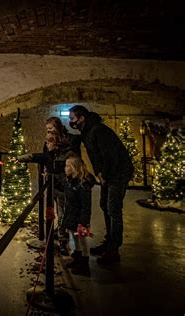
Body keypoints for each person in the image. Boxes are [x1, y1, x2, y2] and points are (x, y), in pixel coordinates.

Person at [69, 105, 133, 264]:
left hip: (118, 172)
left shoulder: (98, 130)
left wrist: (104, 175)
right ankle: (109, 242)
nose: (71, 122)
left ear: (82, 117)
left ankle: (114, 250)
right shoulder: (87, 132)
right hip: (108, 174)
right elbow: (95, 156)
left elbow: (109, 155)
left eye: (72, 118)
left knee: (113, 209)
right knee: (105, 205)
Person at [62, 154, 95, 276]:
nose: (65, 168)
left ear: (74, 167)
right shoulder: (69, 181)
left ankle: (85, 265)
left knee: (82, 239)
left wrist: (83, 222)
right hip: (71, 215)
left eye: (67, 166)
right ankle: (78, 257)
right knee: (74, 236)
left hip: (79, 217)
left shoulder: (82, 186)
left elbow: (86, 206)